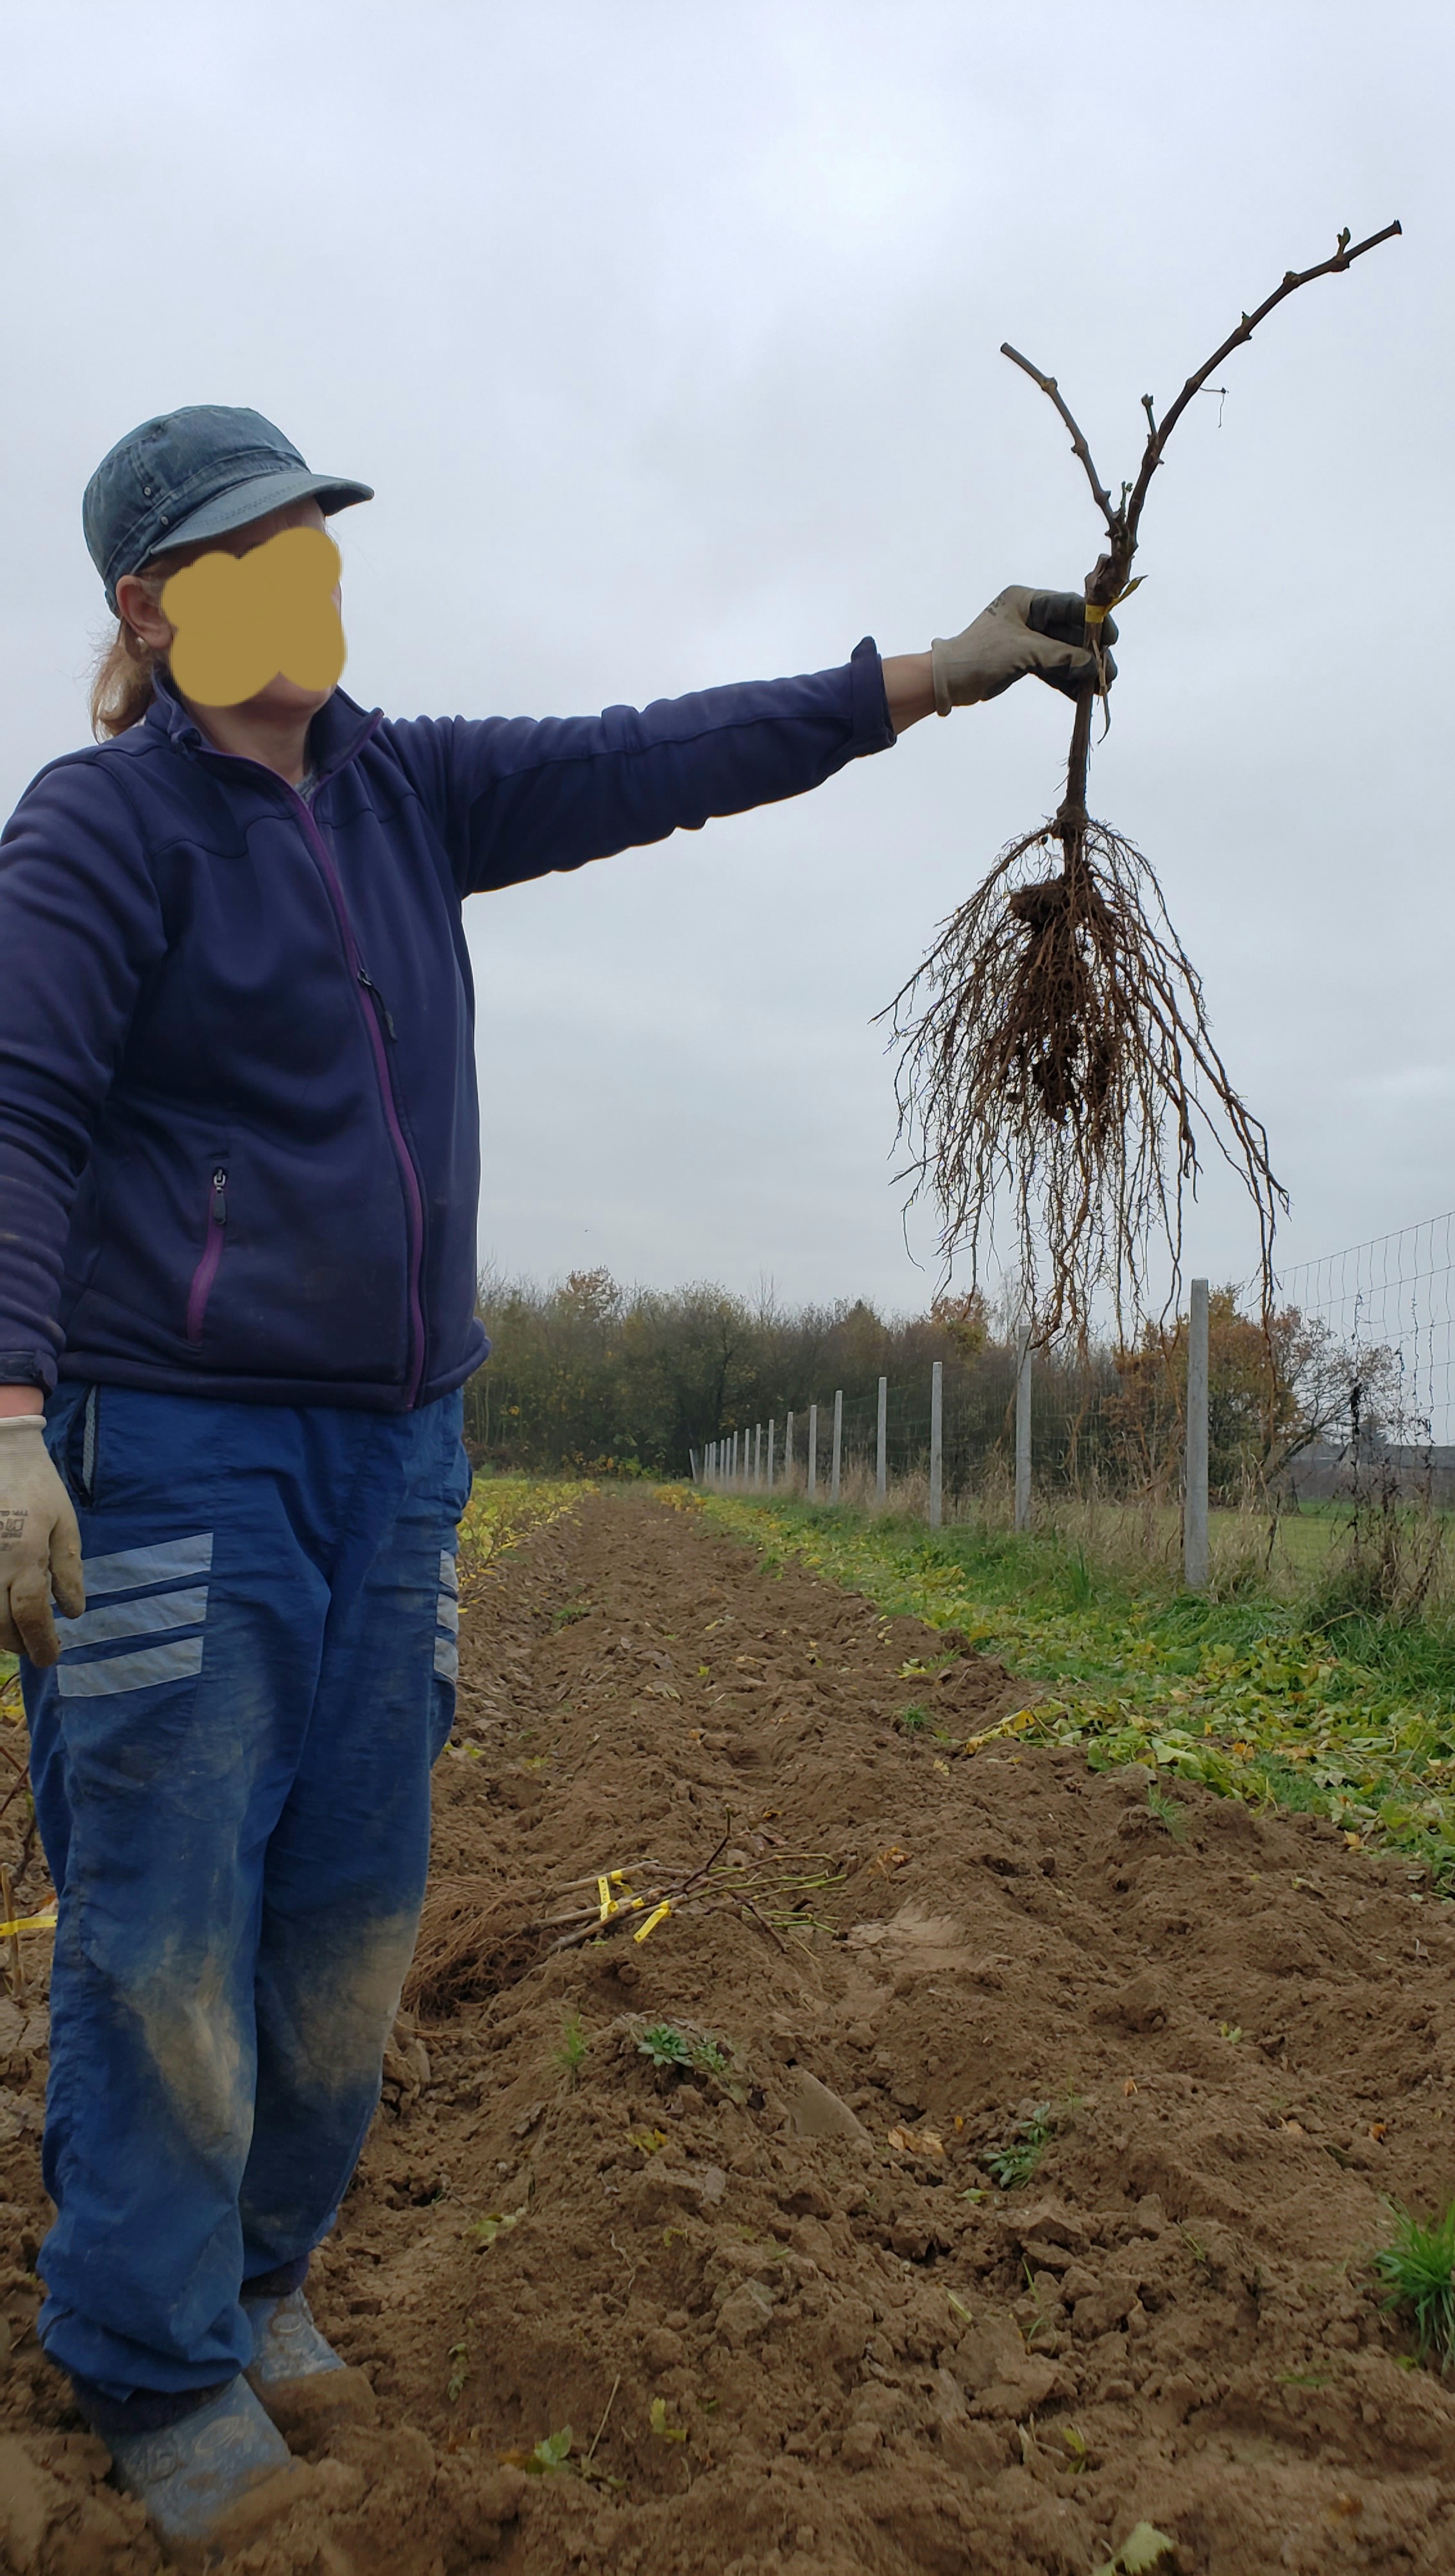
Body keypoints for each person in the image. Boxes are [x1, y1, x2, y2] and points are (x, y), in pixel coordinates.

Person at [0, 403, 1104, 2550]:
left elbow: (652, 752)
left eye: (313, 543)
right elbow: (20, 1114)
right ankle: (148, 2357)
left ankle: (260, 2280)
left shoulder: (405, 789)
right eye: (244, 556)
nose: (301, 583)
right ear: (149, 606)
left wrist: (932, 677)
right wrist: (8, 1416)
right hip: (181, 1453)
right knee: (166, 1924)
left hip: (401, 1453)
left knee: (348, 1911)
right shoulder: (102, 829)